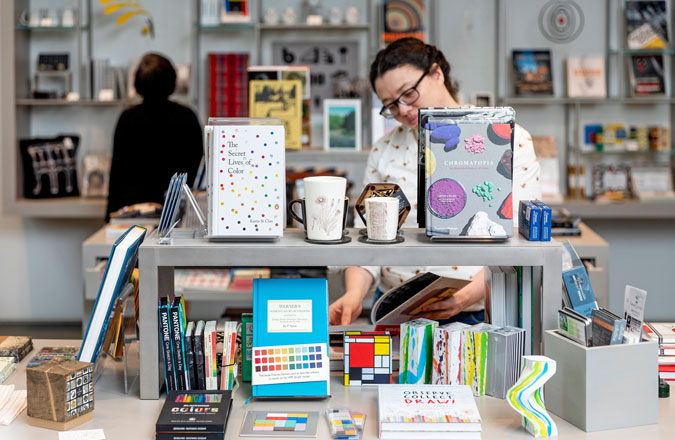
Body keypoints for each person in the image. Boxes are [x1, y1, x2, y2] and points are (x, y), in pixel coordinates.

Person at [329, 38, 541, 326]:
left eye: (409, 94)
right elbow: (368, 239)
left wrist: (462, 299)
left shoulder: (506, 139)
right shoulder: (384, 150)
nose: (402, 110)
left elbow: (520, 245)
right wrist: (354, 294)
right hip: (395, 314)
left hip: (476, 314)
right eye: (390, 105)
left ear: (437, 74)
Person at [106, 53, 203, 221]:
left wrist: (110, 217)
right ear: (172, 81)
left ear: (137, 84)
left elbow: (117, 174)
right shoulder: (187, 117)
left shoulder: (127, 119)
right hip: (177, 214)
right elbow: (198, 171)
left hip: (133, 215)